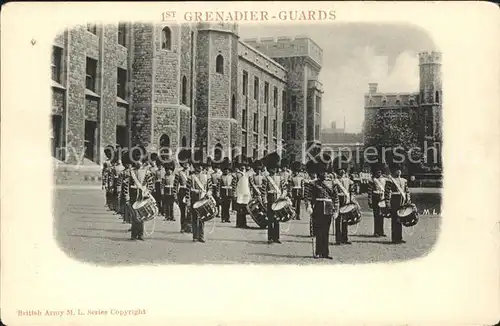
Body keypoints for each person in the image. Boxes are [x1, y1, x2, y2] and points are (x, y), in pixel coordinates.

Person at [308, 154, 339, 259]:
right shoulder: (314, 184)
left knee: (326, 231)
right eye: (322, 172)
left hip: (329, 208)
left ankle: (325, 252)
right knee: (318, 230)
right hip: (318, 207)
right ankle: (318, 252)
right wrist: (309, 206)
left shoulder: (332, 183)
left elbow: (335, 198)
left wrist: (336, 210)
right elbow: (309, 197)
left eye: (325, 172)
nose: (324, 174)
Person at [124, 146, 155, 241]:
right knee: (134, 215)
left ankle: (140, 234)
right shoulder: (130, 172)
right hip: (133, 193)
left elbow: (150, 185)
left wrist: (147, 193)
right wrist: (127, 196)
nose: (138, 162)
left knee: (142, 214)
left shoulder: (147, 171)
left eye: (139, 159)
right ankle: (134, 234)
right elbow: (126, 185)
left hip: (142, 194)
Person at [187, 150, 213, 243]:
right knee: (194, 218)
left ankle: (201, 236)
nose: (199, 167)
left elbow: (210, 188)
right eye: (197, 166)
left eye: (201, 166)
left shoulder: (207, 176)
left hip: (203, 198)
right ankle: (195, 236)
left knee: (202, 218)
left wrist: (208, 194)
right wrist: (188, 200)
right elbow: (187, 189)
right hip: (194, 197)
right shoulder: (191, 176)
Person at [262, 152, 288, 244]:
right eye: (270, 168)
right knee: (270, 219)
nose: (272, 170)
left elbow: (285, 189)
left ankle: (276, 237)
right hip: (270, 199)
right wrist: (264, 201)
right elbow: (263, 191)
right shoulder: (266, 178)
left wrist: (282, 197)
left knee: (277, 219)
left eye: (273, 168)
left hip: (278, 199)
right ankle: (270, 237)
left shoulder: (280, 178)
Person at [384, 163, 411, 244]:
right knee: (395, 219)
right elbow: (387, 192)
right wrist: (387, 202)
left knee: (401, 218)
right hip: (394, 200)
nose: (399, 172)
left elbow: (407, 191)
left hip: (402, 200)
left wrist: (408, 199)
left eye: (400, 170)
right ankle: (394, 238)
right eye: (397, 170)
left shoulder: (404, 180)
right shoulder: (390, 180)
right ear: (394, 171)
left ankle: (399, 237)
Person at [333, 162, 356, 245]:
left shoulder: (349, 180)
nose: (342, 171)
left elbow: (352, 191)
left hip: (346, 200)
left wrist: (351, 198)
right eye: (340, 170)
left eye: (343, 169)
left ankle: (345, 238)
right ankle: (338, 239)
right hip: (338, 200)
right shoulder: (335, 181)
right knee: (338, 220)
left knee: (345, 220)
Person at [367, 163, 388, 237]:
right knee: (376, 215)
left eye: (380, 171)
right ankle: (376, 231)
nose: (379, 173)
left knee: (382, 215)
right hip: (375, 198)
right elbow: (369, 191)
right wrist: (369, 200)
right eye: (377, 171)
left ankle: (381, 231)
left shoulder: (385, 179)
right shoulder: (372, 180)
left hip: (383, 198)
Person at [174, 149, 192, 233]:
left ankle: (189, 226)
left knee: (190, 210)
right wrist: (175, 194)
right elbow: (175, 184)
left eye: (187, 163)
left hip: (190, 192)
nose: (186, 164)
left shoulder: (192, 173)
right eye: (184, 163)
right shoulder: (179, 173)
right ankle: (182, 226)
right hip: (182, 191)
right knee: (182, 210)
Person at [231, 155, 251, 228]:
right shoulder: (237, 175)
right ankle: (239, 223)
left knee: (244, 209)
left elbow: (249, 184)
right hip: (239, 193)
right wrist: (234, 194)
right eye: (242, 166)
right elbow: (234, 185)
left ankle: (243, 223)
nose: (243, 167)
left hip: (246, 193)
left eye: (244, 165)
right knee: (239, 209)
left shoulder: (247, 174)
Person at [217, 158, 233, 223]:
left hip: (229, 193)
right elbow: (218, 186)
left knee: (228, 206)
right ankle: (223, 218)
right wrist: (218, 193)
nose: (227, 171)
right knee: (223, 206)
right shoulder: (220, 177)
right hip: (223, 193)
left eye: (228, 170)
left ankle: (227, 218)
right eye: (225, 170)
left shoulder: (231, 177)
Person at [303, 160, 317, 237]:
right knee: (312, 216)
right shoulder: (308, 182)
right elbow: (306, 193)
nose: (313, 175)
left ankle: (317, 231)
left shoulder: (319, 181)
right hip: (311, 200)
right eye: (312, 173)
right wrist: (307, 203)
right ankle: (313, 232)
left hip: (318, 200)